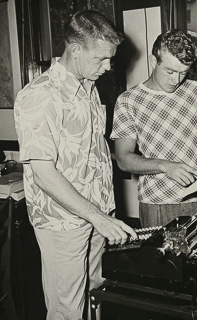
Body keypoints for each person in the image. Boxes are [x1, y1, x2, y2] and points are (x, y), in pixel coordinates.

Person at [14, 10, 137, 320]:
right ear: (75, 50)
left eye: (110, 58)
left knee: (94, 293)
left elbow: (90, 153)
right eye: (101, 59)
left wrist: (102, 214)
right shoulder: (40, 95)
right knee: (67, 309)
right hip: (63, 223)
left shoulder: (88, 87)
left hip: (96, 212)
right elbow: (43, 173)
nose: (108, 67)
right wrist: (97, 216)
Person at [110, 29, 197, 259]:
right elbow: (124, 159)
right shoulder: (129, 101)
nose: (176, 80)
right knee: (168, 280)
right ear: (152, 61)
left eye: (183, 73)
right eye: (169, 71)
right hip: (158, 204)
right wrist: (166, 166)